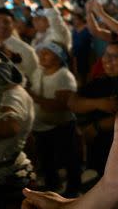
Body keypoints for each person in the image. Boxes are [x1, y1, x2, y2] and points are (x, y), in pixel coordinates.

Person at [69, 40, 118, 177]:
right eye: (106, 54)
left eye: (115, 56)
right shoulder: (101, 81)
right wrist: (98, 103)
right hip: (98, 151)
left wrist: (97, 127)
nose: (107, 60)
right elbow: (72, 102)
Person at [28, 41, 80, 192]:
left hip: (61, 126)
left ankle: (73, 190)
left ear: (58, 57)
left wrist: (33, 96)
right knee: (46, 159)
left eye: (47, 53)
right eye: (41, 52)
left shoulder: (64, 76)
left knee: (69, 159)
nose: (41, 56)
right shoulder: (39, 72)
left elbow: (59, 106)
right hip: (41, 126)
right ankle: (52, 186)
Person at [0, 7, 38, 85]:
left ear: (13, 25)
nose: (2, 25)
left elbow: (33, 79)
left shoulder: (26, 51)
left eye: (6, 22)